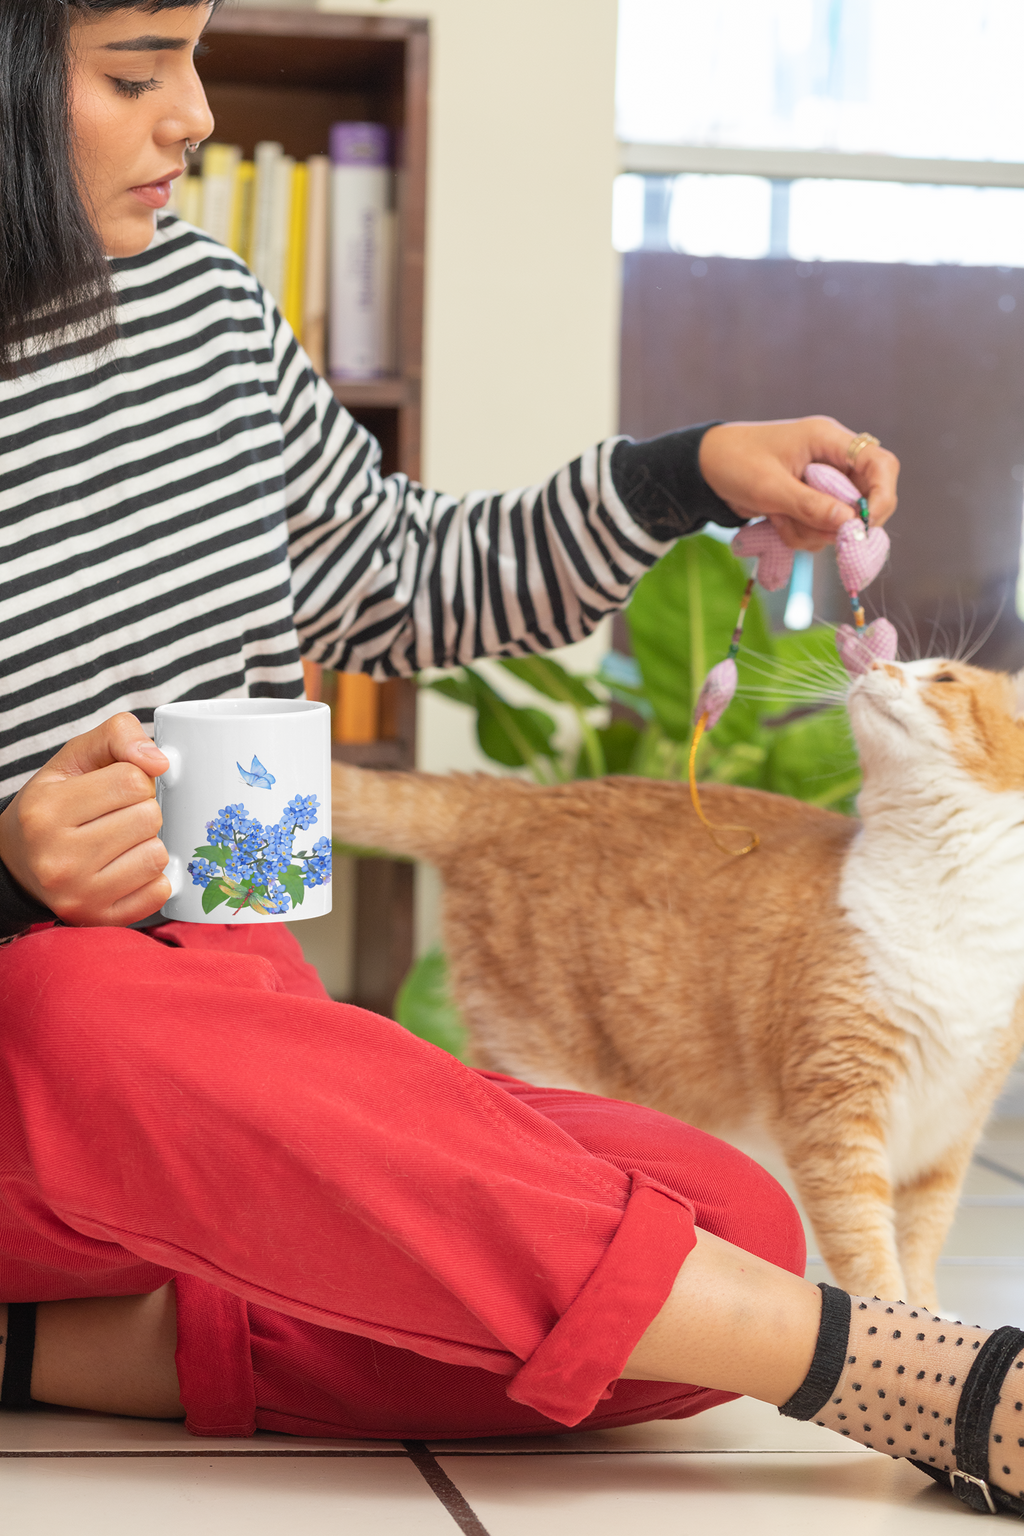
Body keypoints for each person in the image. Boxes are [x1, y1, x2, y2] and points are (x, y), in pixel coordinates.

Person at [8, 1, 1018, 1522]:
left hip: (247, 1034)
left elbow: (408, 579)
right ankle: (886, 1370)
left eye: (195, 60)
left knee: (719, 1212)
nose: (196, 115)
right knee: (84, 1008)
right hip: (68, 1056)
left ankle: (47, 1350)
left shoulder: (206, 310)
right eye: (138, 73)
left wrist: (683, 473)